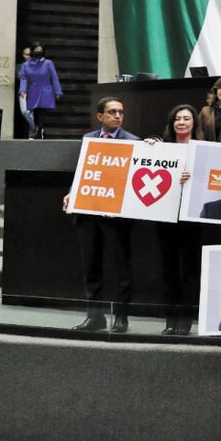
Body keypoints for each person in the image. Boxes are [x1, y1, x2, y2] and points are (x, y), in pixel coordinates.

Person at [69, 97, 140, 333]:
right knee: (91, 266)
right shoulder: (88, 139)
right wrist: (72, 193)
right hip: (88, 212)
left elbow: (135, 182)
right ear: (100, 116)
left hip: (116, 217)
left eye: (120, 111)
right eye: (112, 112)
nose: (117, 115)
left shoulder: (134, 141)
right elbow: (82, 173)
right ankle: (95, 316)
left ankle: (121, 317)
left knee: (122, 268)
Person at [153, 104, 204, 335]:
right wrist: (150, 148)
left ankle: (185, 320)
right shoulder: (162, 148)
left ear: (194, 123)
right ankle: (170, 319)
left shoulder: (204, 149)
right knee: (169, 270)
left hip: (193, 218)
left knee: (190, 270)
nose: (181, 122)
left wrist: (193, 177)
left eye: (186, 118)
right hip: (165, 216)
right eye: (177, 118)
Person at [18, 42, 62, 139]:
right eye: (36, 50)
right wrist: (22, 90)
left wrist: (57, 91)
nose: (38, 52)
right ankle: (36, 130)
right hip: (33, 90)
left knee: (42, 110)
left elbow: (54, 77)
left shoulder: (48, 63)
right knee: (33, 111)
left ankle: (39, 130)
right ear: (32, 51)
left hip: (45, 89)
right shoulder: (26, 65)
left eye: (40, 50)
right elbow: (23, 78)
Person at [16, 46, 37, 138]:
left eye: (30, 54)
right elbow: (18, 77)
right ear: (23, 55)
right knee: (24, 111)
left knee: (30, 113)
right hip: (22, 92)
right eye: (26, 54)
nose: (28, 56)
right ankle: (35, 129)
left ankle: (31, 135)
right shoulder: (19, 66)